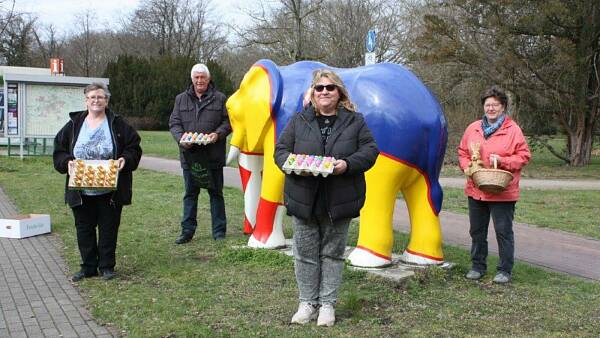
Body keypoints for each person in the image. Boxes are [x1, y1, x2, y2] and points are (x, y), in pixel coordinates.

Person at [274, 69, 379, 326]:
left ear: (339, 92)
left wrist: (347, 164)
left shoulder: (355, 121)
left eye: (329, 88)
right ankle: (307, 303)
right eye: (319, 88)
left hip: (338, 198)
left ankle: (327, 305)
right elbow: (281, 151)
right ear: (312, 92)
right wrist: (292, 164)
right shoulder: (300, 120)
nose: (324, 92)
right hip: (304, 198)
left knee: (332, 254)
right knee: (305, 254)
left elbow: (370, 150)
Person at [53, 82, 142, 282]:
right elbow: (59, 150)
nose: (96, 100)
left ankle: (107, 266)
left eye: (100, 97)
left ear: (106, 100)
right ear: (86, 101)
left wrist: (124, 160)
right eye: (92, 97)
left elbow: (134, 147)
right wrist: (66, 162)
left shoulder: (118, 124)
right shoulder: (74, 125)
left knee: (108, 228)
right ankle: (88, 267)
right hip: (81, 190)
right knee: (84, 229)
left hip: (110, 190)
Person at [458, 86, 531, 284]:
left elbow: (524, 156)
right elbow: (463, 152)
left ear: (503, 107)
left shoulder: (513, 130)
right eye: (487, 104)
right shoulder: (472, 128)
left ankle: (504, 270)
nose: (491, 108)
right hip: (476, 189)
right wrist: (467, 167)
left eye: (495, 105)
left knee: (503, 232)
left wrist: (504, 160)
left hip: (503, 191)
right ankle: (477, 266)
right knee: (477, 231)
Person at [169, 63, 231, 244]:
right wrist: (181, 138)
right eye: (196, 77)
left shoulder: (220, 99)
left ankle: (219, 231)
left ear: (209, 78)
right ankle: (187, 231)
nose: (199, 80)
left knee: (216, 194)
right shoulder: (181, 99)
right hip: (190, 155)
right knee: (190, 194)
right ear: (192, 79)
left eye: (203, 77)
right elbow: (174, 123)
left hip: (213, 155)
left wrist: (217, 134)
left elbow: (228, 123)